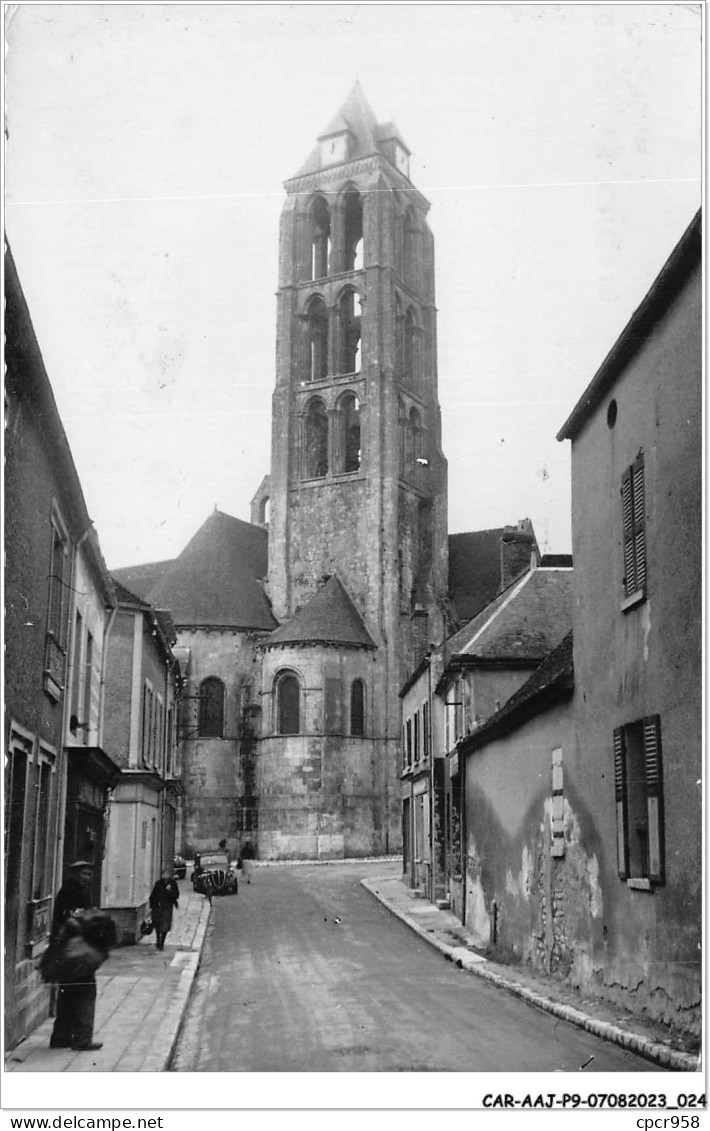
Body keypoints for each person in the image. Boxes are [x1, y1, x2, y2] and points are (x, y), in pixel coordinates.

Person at [49, 860, 102, 1052]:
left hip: (68, 952)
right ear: (75, 874)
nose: (87, 878)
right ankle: (82, 1039)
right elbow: (72, 921)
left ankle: (61, 1037)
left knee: (68, 994)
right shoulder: (73, 894)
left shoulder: (68, 891)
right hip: (76, 952)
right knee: (86, 994)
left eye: (89, 874)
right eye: (84, 874)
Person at [149, 868, 180, 951]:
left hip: (167, 907)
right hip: (158, 907)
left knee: (165, 926)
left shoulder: (172, 883)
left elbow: (176, 895)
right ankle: (158, 940)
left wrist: (170, 892)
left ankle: (161, 942)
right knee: (158, 924)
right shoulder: (158, 883)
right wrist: (152, 906)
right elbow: (153, 896)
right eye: (164, 874)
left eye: (167, 874)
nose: (165, 876)